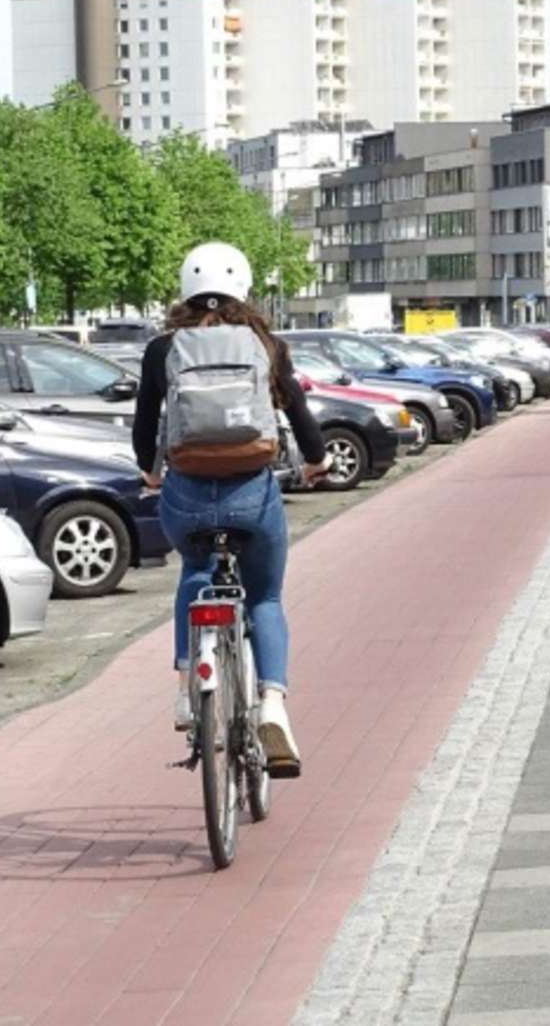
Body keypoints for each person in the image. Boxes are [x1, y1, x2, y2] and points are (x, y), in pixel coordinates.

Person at [132, 242, 329, 776]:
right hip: (252, 493)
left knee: (195, 572)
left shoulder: (162, 349)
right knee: (264, 596)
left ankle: (185, 687)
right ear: (243, 286)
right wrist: (315, 461)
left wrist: (151, 473)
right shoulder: (265, 344)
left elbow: (144, 423)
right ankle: (272, 704)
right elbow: (301, 413)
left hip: (187, 494)